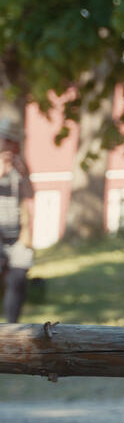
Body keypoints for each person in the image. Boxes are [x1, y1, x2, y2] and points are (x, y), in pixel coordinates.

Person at [0, 118, 34, 323]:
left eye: (11, 140)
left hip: (17, 232)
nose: (8, 145)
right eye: (5, 139)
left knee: (19, 277)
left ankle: (12, 328)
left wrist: (24, 174)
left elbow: (29, 195)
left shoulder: (19, 164)